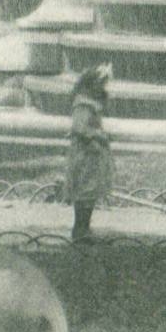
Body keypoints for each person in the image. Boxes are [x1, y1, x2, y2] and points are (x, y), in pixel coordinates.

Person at [64, 65, 114, 243]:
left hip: (92, 154)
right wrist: (98, 135)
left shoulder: (89, 102)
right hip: (84, 155)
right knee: (84, 191)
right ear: (92, 83)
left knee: (90, 192)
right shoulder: (83, 103)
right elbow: (79, 127)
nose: (103, 87)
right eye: (101, 83)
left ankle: (84, 228)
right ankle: (79, 229)